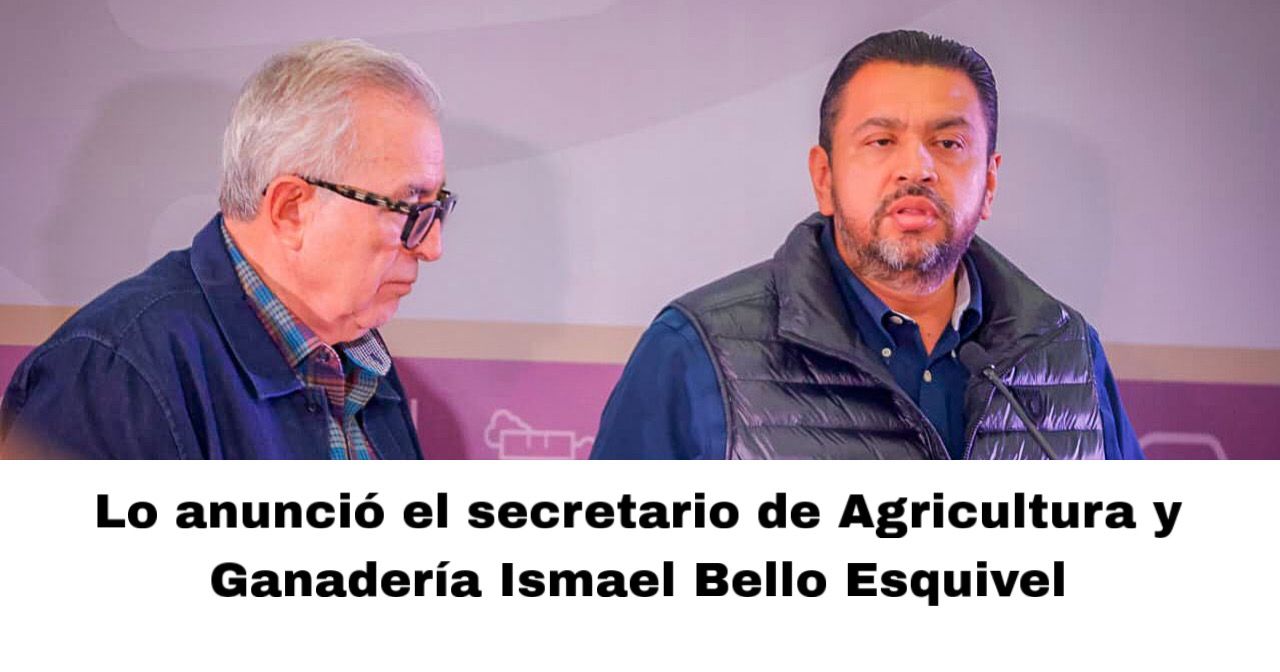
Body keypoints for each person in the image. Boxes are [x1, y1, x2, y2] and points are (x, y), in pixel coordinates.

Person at [592, 30, 1142, 460]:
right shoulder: (698, 351)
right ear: (824, 177)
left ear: (990, 182)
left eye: (948, 143)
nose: (917, 168)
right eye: (881, 141)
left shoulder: (1066, 354)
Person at [0, 39, 455, 459]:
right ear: (291, 209)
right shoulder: (114, 376)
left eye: (437, 208)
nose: (432, 247)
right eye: (408, 209)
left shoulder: (359, 361)